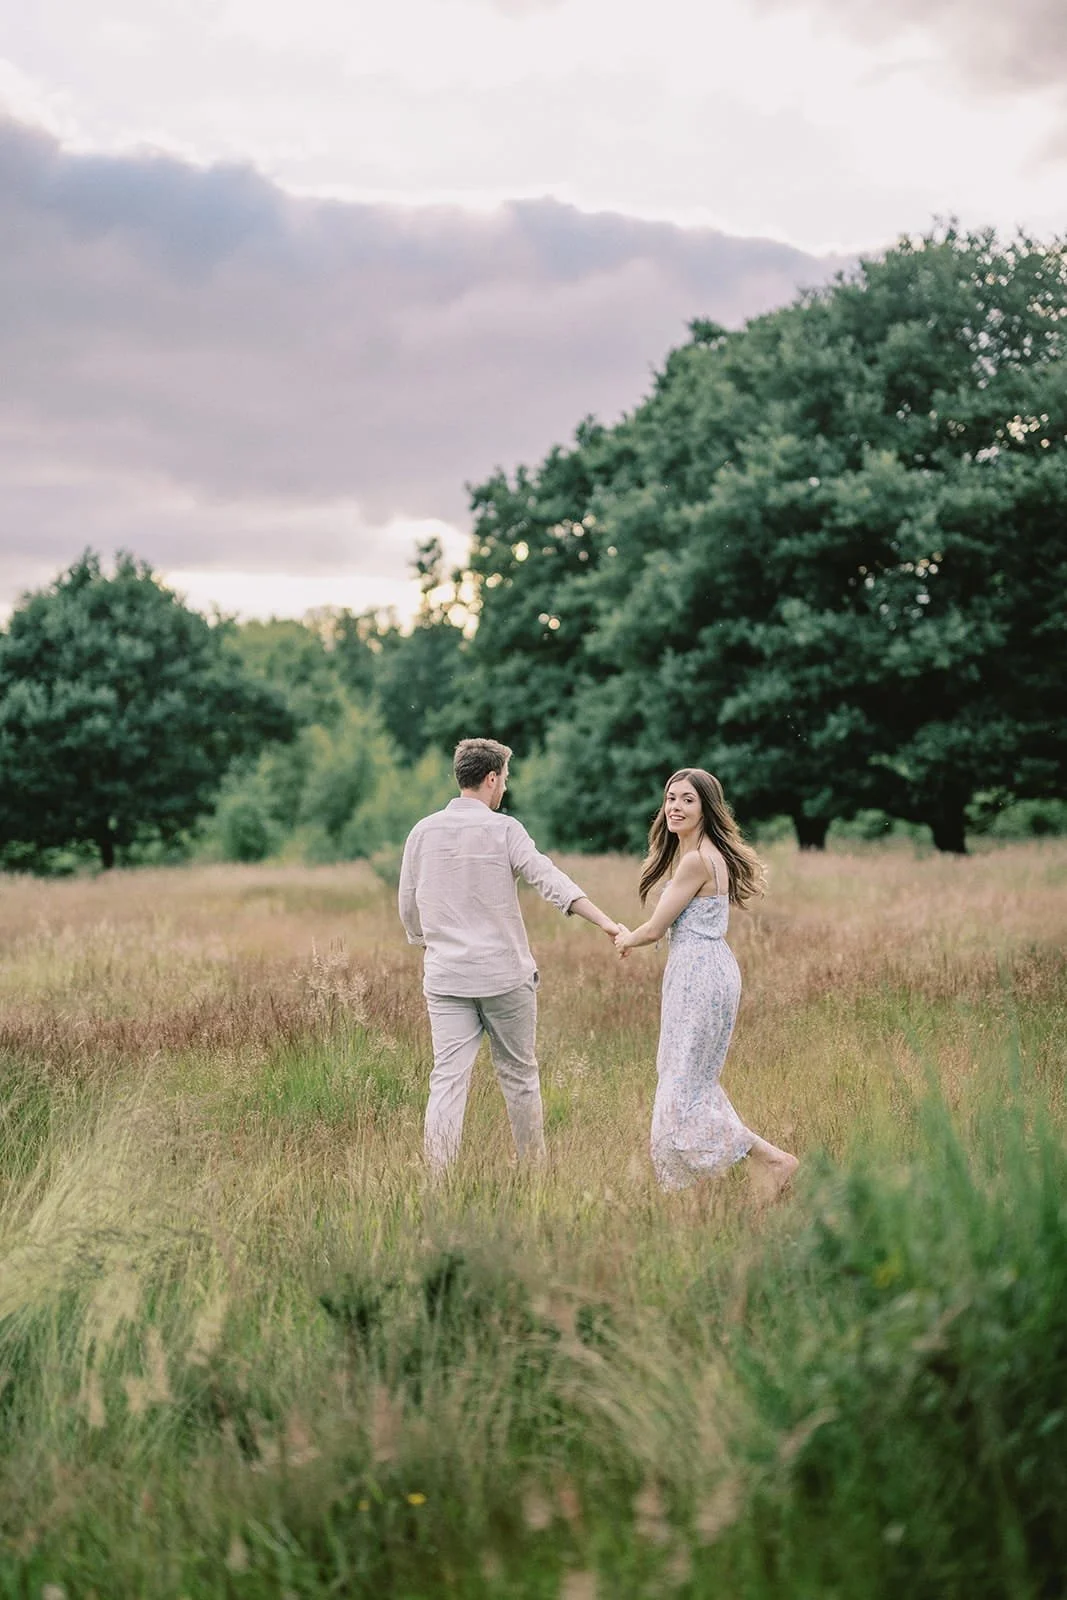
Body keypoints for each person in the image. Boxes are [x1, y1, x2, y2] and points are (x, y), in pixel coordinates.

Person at [399, 737, 622, 1172]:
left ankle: (437, 1180)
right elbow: (548, 878)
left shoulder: (422, 832)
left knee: (447, 1080)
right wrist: (606, 922)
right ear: (491, 778)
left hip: (446, 977)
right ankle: (534, 1172)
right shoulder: (504, 829)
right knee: (520, 1078)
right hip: (504, 975)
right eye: (504, 778)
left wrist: (425, 940)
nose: (504, 788)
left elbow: (408, 903)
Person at [614, 768, 798, 1200]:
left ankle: (772, 1159)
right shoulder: (703, 855)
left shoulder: (698, 859)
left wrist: (626, 937)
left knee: (680, 1087)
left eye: (687, 800)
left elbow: (657, 928)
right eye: (670, 798)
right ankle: (703, 1185)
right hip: (706, 970)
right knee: (691, 1082)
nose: (675, 807)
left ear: (706, 808)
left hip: (699, 975)